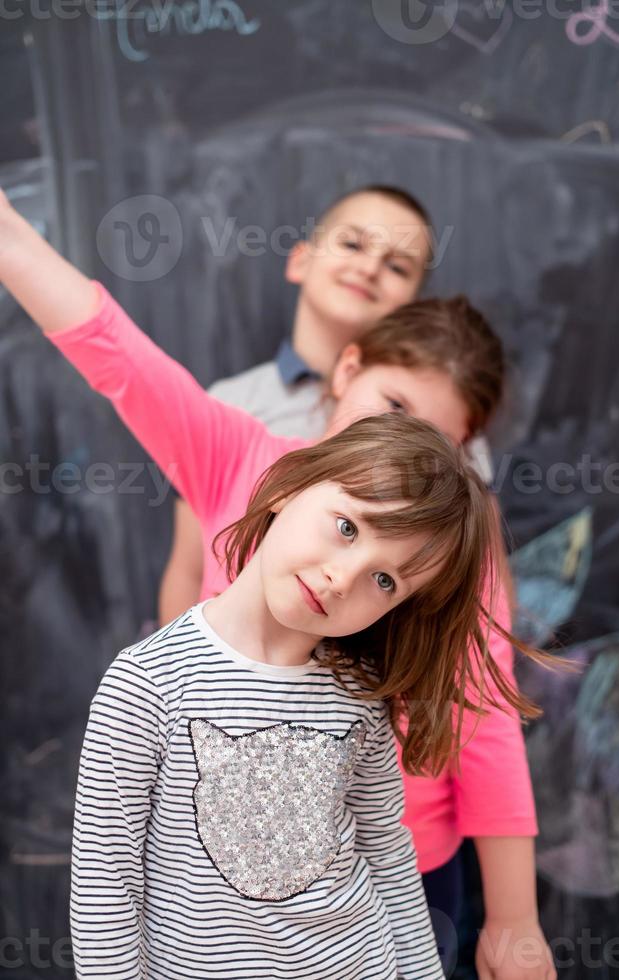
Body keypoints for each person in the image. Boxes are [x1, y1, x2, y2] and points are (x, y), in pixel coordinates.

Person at [0, 192, 555, 979]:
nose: (346, 571)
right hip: (212, 874)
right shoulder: (238, 448)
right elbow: (112, 349)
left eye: (437, 440)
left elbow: (485, 709)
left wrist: (514, 917)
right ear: (350, 369)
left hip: (396, 866)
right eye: (394, 407)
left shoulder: (455, 537)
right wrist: (12, 238)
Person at [69, 411, 529, 979]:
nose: (344, 577)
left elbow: (386, 854)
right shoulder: (146, 684)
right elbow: (104, 885)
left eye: (385, 581)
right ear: (289, 487)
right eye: (348, 528)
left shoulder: (359, 698)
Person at [159, 183, 442, 622]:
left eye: (397, 267)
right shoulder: (231, 404)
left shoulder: (436, 425)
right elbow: (187, 565)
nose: (368, 268)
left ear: (413, 307)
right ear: (300, 260)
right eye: (352, 243)